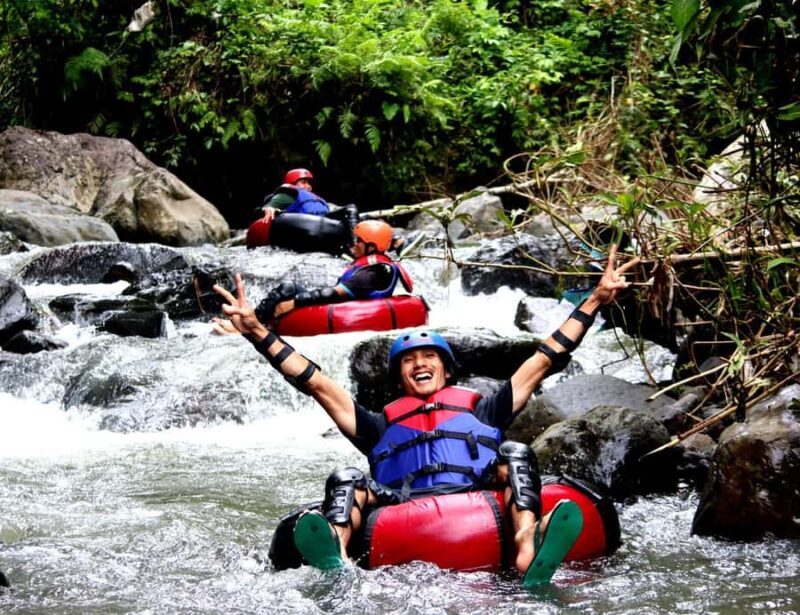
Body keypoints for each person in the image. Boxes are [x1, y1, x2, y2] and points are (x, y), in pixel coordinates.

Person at [213, 245, 639, 586]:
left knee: (515, 452)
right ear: (399, 374)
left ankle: (528, 541)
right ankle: (336, 555)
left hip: (473, 488)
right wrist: (257, 332)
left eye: (429, 356)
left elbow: (545, 358)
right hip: (400, 501)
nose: (420, 363)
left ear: (446, 369)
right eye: (409, 359)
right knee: (347, 478)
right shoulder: (379, 424)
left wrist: (596, 300)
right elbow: (315, 382)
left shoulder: (485, 409)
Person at [212, 220, 413, 333]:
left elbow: (333, 294)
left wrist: (294, 303)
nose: (354, 245)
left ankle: (248, 327)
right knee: (288, 287)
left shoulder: (375, 271)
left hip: (350, 309)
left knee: (291, 294)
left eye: (359, 241)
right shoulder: (376, 265)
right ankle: (253, 320)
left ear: (372, 246)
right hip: (350, 303)